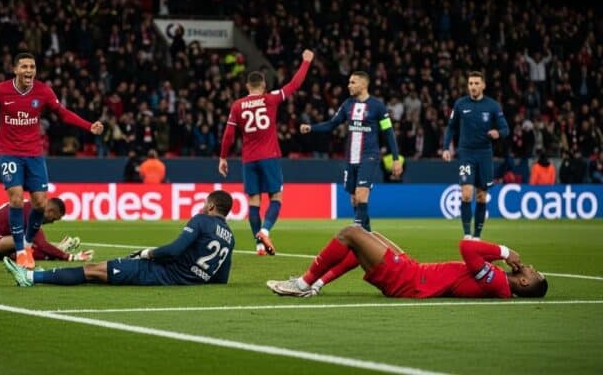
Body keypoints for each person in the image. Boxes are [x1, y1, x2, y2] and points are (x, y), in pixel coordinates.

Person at [0, 53, 103, 269]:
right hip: (9, 152)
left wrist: (88, 126)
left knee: (40, 203)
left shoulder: (43, 91)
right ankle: (21, 250)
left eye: (32, 67)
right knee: (16, 199)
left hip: (34, 153)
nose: (29, 71)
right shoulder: (0, 90)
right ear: (15, 69)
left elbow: (62, 113)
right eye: (24, 67)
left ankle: (26, 242)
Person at [3, 190, 235, 287]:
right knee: (96, 273)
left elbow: (174, 250)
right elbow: (221, 279)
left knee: (92, 270)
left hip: (159, 273)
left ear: (211, 205)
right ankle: (34, 275)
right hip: (182, 278)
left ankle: (30, 276)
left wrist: (148, 253)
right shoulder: (230, 237)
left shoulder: (201, 219)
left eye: (206, 203)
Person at [267, 225, 548, 299]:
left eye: (533, 273)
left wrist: (504, 251)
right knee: (369, 237)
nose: (531, 267)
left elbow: (467, 248)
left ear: (523, 282)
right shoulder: (498, 282)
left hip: (409, 281)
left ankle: (303, 283)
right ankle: (316, 284)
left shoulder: (498, 282)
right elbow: (475, 257)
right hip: (414, 274)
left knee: (351, 234)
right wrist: (502, 257)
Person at [218, 50, 314, 256]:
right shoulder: (270, 99)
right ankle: (264, 231)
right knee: (276, 197)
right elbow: (294, 84)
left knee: (254, 202)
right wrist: (306, 62)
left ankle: (259, 246)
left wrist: (223, 157)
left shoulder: (237, 105)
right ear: (263, 86)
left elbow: (228, 135)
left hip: (249, 159)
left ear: (246, 87)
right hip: (269, 156)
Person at [300, 71, 401, 232]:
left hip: (369, 156)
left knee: (361, 195)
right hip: (350, 158)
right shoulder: (347, 104)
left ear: (363, 84)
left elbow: (388, 132)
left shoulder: (377, 106)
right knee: (354, 200)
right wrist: (311, 128)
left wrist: (396, 158)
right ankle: (367, 235)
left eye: (353, 82)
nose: (349, 85)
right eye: (349, 82)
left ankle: (357, 232)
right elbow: (332, 124)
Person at [441, 71, 509, 240]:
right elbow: (451, 127)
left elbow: (505, 129)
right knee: (466, 193)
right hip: (466, 153)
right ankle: (467, 234)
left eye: (476, 83)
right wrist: (445, 148)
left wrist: (497, 133)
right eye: (470, 83)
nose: (473, 86)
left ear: (483, 85)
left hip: (485, 155)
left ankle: (477, 235)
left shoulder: (492, 106)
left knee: (481, 196)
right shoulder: (460, 104)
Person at [0, 197, 93, 262]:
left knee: (28, 246)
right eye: (54, 219)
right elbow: (42, 244)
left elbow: (40, 243)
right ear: (50, 211)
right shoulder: (33, 212)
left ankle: (53, 253)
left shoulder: (31, 207)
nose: (52, 222)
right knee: (25, 241)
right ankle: (56, 252)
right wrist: (69, 257)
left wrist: (55, 251)